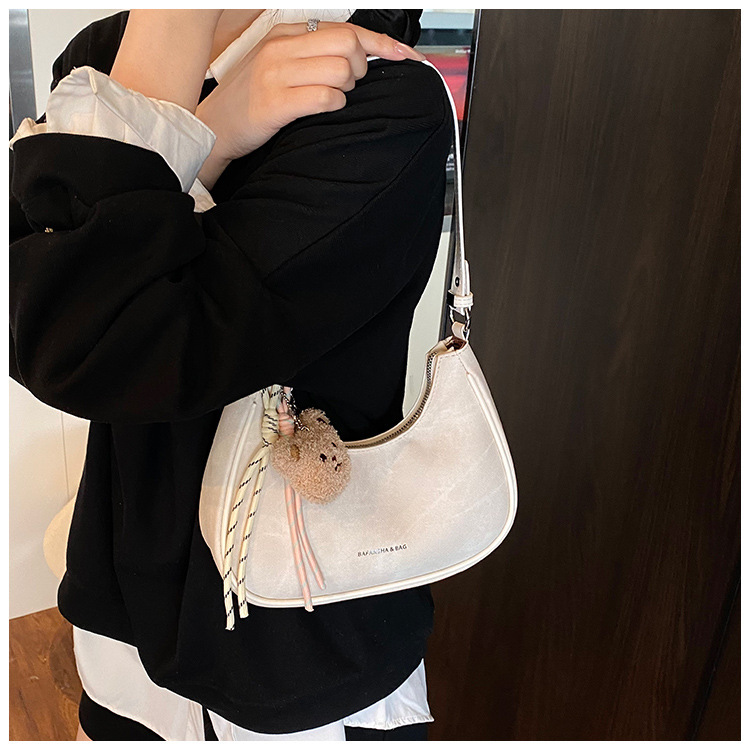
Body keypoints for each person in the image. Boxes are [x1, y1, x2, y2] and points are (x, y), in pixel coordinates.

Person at [9, 8, 453, 741]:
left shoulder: (379, 94)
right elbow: (33, 312)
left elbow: (95, 341)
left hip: (299, 628)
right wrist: (212, 131)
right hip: (125, 584)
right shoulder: (103, 55)